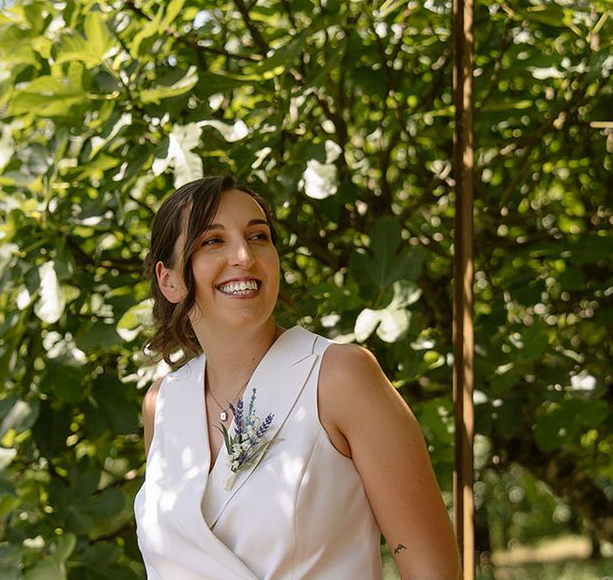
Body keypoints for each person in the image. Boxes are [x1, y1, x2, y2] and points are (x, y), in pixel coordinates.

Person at [134, 174, 461, 580]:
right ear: (169, 280)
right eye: (212, 241)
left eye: (258, 237)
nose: (243, 255)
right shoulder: (162, 404)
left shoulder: (340, 376)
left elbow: (434, 571)